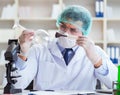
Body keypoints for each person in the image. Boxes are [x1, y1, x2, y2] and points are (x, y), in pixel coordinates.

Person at [14, 5, 117, 91]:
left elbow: (116, 85)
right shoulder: (39, 50)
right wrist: (23, 54)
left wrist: (97, 61)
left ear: (83, 33)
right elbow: (15, 86)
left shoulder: (95, 52)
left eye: (73, 30)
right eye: (63, 26)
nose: (66, 33)